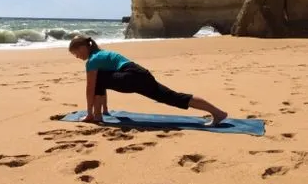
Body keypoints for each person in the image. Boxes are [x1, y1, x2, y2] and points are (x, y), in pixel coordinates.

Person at [68, 35, 228, 126]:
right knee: (173, 97)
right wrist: (105, 109)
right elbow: (101, 87)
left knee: (99, 79)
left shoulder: (93, 60)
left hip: (131, 76)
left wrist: (89, 113)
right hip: (141, 74)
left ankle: (95, 116)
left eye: (76, 54)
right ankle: (218, 113)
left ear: (83, 48)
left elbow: (91, 88)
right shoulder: (102, 55)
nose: (77, 57)